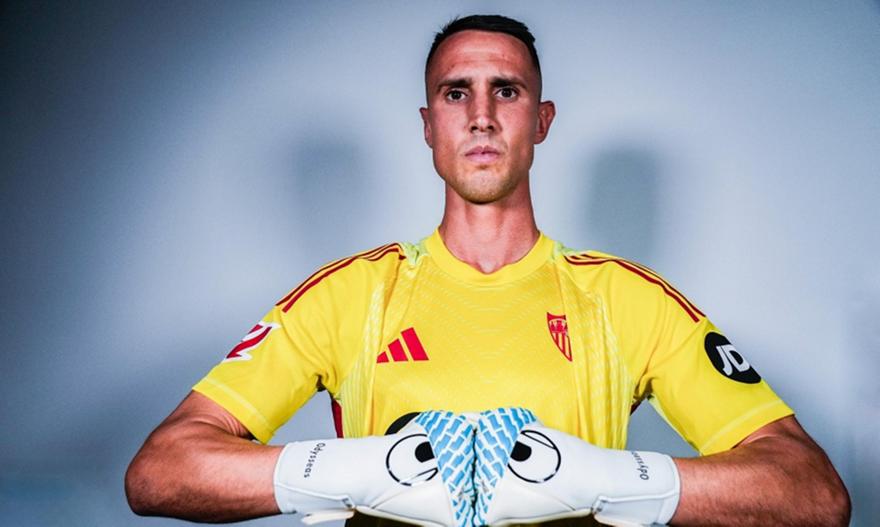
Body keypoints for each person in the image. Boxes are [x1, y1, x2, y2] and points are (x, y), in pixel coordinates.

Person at [125, 14, 850, 526]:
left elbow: (813, 492)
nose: (481, 115)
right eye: (456, 92)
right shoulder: (350, 295)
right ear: (428, 126)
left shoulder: (626, 299)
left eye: (506, 90)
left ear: (542, 120)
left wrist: (603, 481)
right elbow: (161, 470)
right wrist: (363, 473)